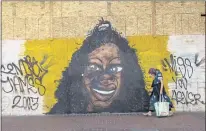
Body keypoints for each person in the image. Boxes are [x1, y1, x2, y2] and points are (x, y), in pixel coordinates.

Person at [48, 19, 149, 114]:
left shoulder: (139, 115)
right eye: (94, 67)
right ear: (80, 74)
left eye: (114, 68)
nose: (105, 76)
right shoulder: (60, 114)